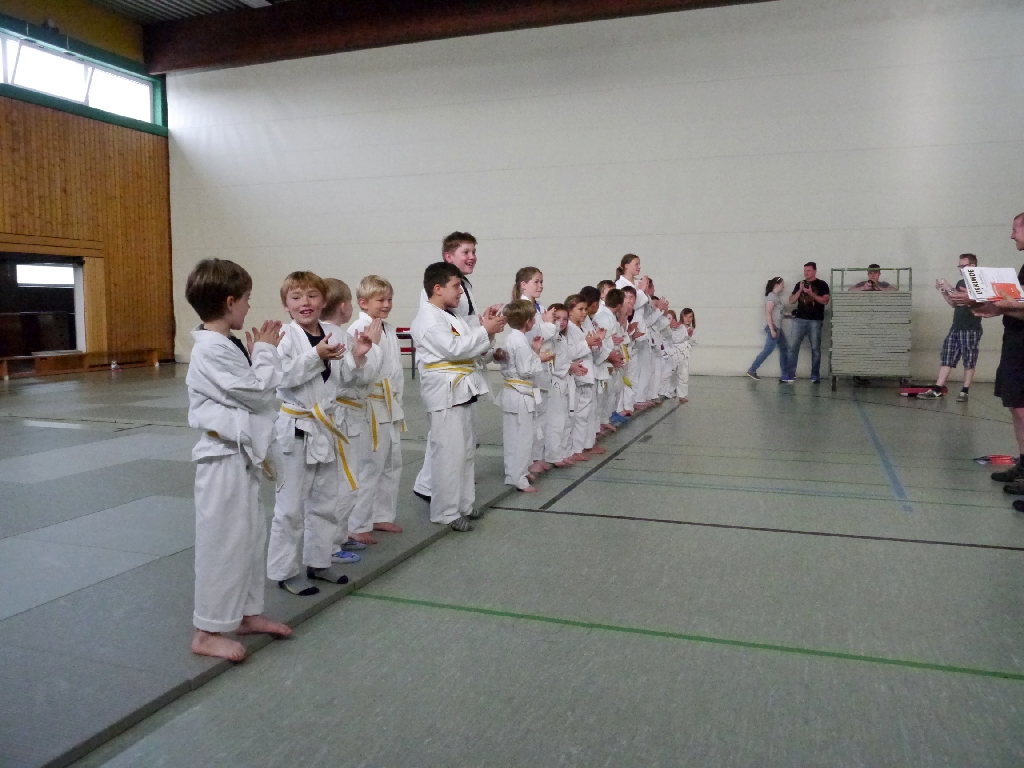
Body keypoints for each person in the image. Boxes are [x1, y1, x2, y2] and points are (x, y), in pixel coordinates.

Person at [184, 258, 292, 662]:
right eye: (246, 299)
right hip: (221, 459)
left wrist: (256, 352)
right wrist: (265, 351)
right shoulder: (210, 349)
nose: (249, 306)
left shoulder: (224, 344)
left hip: (239, 455)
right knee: (223, 543)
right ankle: (207, 631)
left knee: (248, 537)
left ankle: (245, 613)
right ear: (230, 302)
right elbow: (257, 394)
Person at [266, 272, 375, 597]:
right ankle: (285, 571)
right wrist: (316, 355)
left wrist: (358, 355)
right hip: (296, 428)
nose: (305, 303)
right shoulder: (284, 337)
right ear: (285, 304)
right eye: (296, 297)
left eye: (312, 296)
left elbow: (345, 378)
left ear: (323, 301)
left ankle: (319, 560)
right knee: (290, 507)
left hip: (327, 426)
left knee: (326, 501)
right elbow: (282, 377)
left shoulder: (335, 332)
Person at [412, 262, 505, 530]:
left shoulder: (450, 315)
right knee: (448, 454)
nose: (461, 292)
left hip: (461, 390)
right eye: (456, 286)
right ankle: (445, 511)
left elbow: (473, 348)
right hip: (444, 393)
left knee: (464, 451)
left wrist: (486, 329)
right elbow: (455, 349)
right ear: (437, 288)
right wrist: (485, 330)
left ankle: (463, 504)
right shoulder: (428, 318)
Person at [962, 214, 1024, 509]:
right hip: (1015, 342)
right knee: (1017, 407)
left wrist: (996, 304)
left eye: (1015, 229)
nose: (1012, 236)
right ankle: (1023, 466)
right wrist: (994, 307)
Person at [347, 275, 406, 544]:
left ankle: (382, 514)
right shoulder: (357, 329)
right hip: (369, 404)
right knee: (369, 466)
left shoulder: (388, 329)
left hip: (390, 403)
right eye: (380, 300)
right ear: (363, 302)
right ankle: (357, 523)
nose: (386, 304)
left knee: (392, 462)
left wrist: (398, 398)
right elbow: (358, 371)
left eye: (389, 299)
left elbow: (396, 371)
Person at [320, 278, 365, 562]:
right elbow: (348, 377)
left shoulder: (328, 333)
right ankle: (332, 545)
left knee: (344, 479)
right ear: (343, 306)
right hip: (341, 418)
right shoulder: (336, 336)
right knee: (345, 481)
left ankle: (339, 535)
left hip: (343, 415)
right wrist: (362, 355)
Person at [498, 299, 553, 492]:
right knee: (522, 438)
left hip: (512, 393)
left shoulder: (511, 338)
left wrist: (535, 351)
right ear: (528, 321)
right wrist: (541, 358)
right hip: (520, 394)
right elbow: (526, 371)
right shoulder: (520, 341)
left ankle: (513, 474)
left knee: (512, 437)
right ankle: (519, 478)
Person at [512, 267, 558, 477]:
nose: (540, 286)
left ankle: (537, 456)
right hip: (531, 368)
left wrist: (549, 324)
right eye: (536, 282)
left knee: (541, 416)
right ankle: (528, 461)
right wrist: (549, 325)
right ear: (524, 284)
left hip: (542, 366)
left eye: (541, 282)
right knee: (532, 418)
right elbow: (534, 335)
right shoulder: (522, 307)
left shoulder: (538, 307)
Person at [918, 254, 983, 401]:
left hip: (971, 327)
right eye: (960, 266)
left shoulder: (977, 282)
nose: (960, 269)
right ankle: (938, 388)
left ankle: (965, 390)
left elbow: (967, 301)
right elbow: (954, 303)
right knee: (947, 356)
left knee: (969, 360)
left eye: (963, 266)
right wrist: (944, 291)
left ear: (973, 266)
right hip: (956, 326)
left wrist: (950, 288)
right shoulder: (961, 282)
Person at [782, 262, 830, 383]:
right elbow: (791, 300)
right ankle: (790, 375)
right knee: (792, 347)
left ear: (815, 271)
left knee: (815, 349)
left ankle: (815, 375)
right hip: (799, 319)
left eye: (808, 270)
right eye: (805, 271)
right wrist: (800, 290)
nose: (806, 273)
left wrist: (811, 293)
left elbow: (825, 301)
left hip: (815, 320)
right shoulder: (799, 284)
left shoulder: (822, 284)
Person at [544, 303, 577, 467]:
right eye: (558, 318)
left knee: (567, 420)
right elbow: (552, 364)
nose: (562, 322)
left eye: (565, 319)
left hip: (566, 381)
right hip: (555, 383)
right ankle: (554, 455)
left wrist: (570, 366)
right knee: (556, 421)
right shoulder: (549, 338)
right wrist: (569, 367)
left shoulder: (561, 337)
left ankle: (564, 452)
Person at [565, 294, 596, 462]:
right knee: (575, 415)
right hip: (576, 378)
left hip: (587, 376)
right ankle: (573, 449)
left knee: (584, 414)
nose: (584, 312)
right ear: (570, 311)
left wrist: (596, 342)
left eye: (585, 309)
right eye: (580, 309)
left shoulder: (583, 328)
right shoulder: (567, 329)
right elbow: (568, 353)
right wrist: (587, 343)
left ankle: (580, 446)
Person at [747, 277, 787, 379]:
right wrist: (772, 329)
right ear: (777, 284)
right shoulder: (771, 297)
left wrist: (790, 315)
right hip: (773, 327)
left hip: (778, 327)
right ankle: (752, 369)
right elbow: (768, 313)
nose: (783, 287)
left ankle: (786, 373)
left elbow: (779, 313)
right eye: (782, 284)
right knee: (768, 350)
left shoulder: (776, 297)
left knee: (784, 348)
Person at [671, 308, 695, 403]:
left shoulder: (691, 329)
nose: (688, 319)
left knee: (684, 374)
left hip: (685, 354)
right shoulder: (677, 326)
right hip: (675, 353)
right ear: (681, 316)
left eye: (690, 317)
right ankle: (669, 391)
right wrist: (686, 335)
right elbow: (674, 339)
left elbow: (694, 342)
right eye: (685, 316)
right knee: (671, 373)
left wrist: (690, 336)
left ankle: (682, 395)